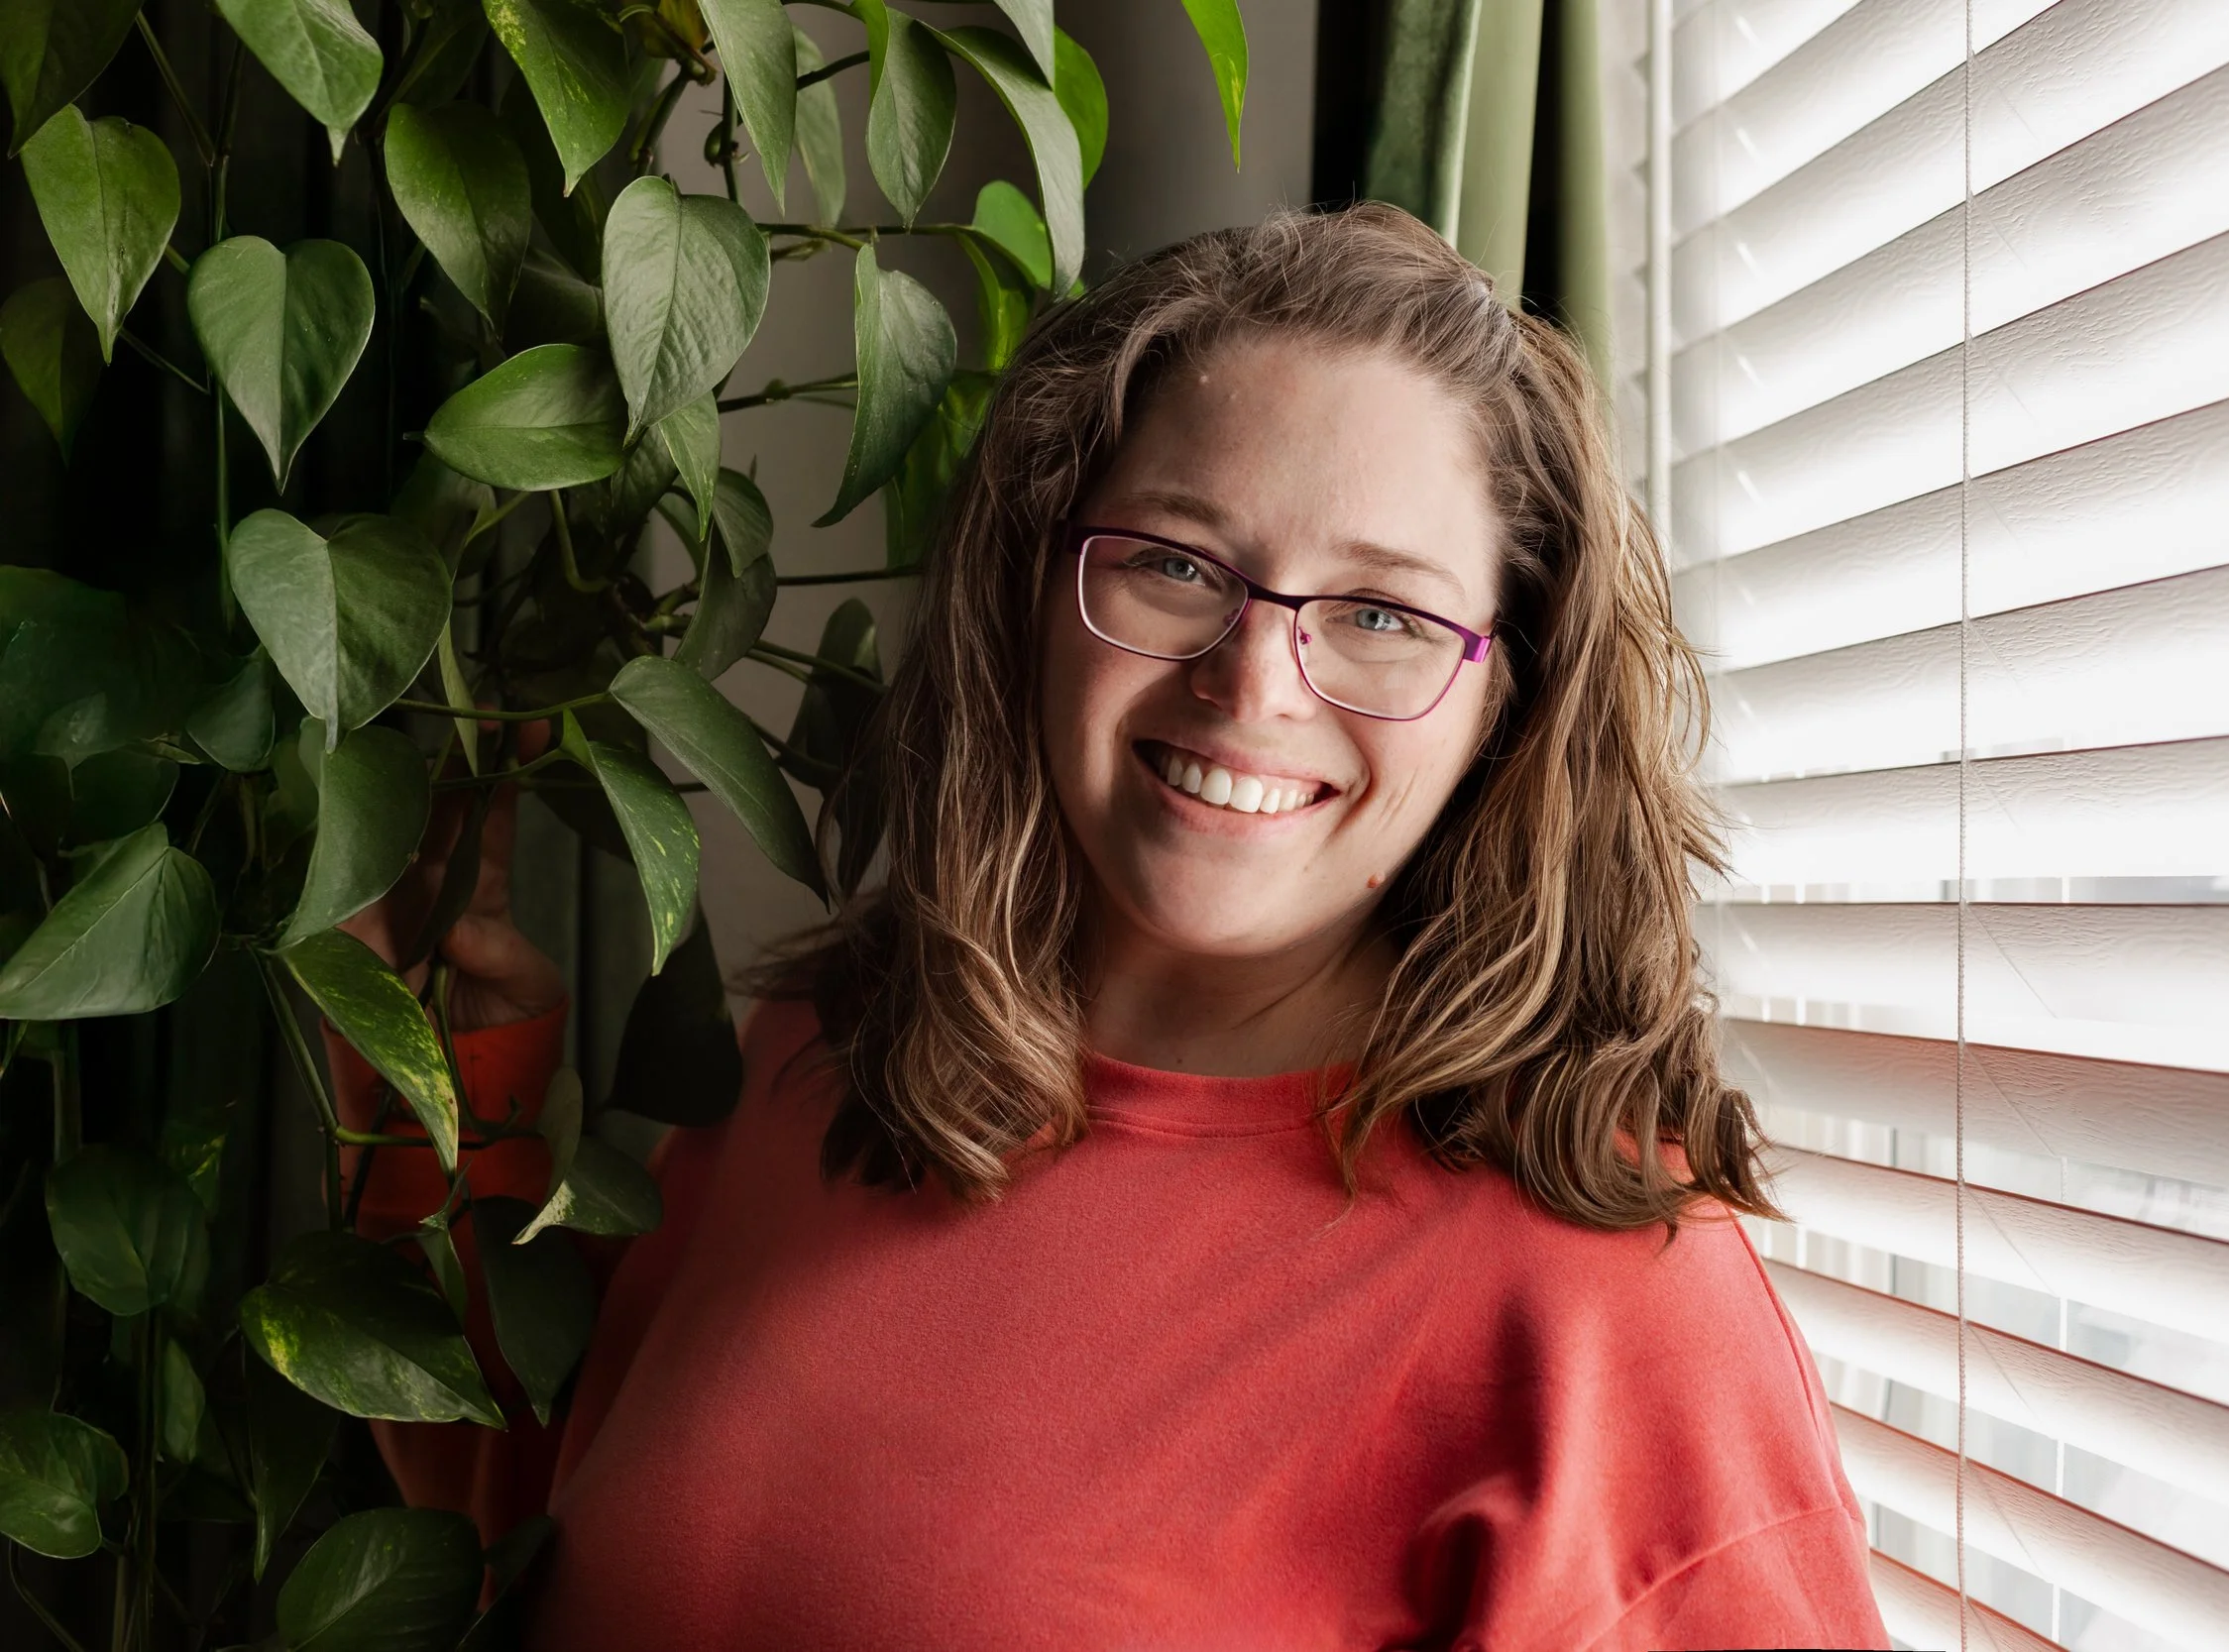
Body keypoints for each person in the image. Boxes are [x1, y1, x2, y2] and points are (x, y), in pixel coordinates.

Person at [336, 203, 1889, 1651]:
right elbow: (547, 1522)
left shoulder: (1609, 1298)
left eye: (1381, 613)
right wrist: (440, 1084)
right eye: (1172, 562)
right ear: (1036, 584)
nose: (1252, 682)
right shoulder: (831, 1048)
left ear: (1507, 698)